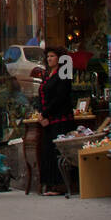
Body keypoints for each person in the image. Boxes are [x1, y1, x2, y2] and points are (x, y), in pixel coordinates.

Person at [38, 46, 75, 196]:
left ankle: (61, 185)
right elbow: (42, 95)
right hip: (48, 120)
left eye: (52, 56)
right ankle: (52, 185)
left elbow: (60, 98)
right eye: (48, 56)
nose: (49, 59)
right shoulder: (48, 75)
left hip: (60, 119)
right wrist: (41, 114)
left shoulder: (64, 74)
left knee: (58, 152)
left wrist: (45, 113)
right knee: (48, 151)